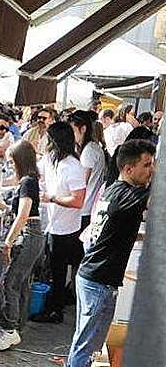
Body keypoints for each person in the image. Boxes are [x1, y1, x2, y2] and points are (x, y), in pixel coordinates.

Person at [59, 139, 154, 367]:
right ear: (128, 168)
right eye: (146, 165)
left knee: (82, 339)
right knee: (88, 344)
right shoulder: (127, 194)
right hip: (98, 281)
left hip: (92, 277)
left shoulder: (114, 191)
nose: (151, 171)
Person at [0, 140, 44, 352]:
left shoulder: (28, 181)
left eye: (12, 161)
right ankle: (12, 327)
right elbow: (16, 210)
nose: (10, 165)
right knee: (17, 282)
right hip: (29, 234)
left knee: (9, 282)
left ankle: (11, 330)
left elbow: (23, 214)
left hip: (28, 234)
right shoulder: (28, 181)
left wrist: (9, 242)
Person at [32, 121, 87, 324]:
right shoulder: (51, 159)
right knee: (49, 268)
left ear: (55, 141)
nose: (44, 140)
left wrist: (51, 198)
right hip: (52, 224)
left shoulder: (73, 167)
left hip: (66, 229)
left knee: (58, 270)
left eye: (47, 137)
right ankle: (51, 305)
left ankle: (56, 311)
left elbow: (78, 200)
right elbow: (36, 170)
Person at [70, 110, 107, 279]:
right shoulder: (93, 148)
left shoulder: (89, 151)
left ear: (83, 129)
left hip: (85, 208)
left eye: (74, 130)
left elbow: (81, 181)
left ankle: (73, 291)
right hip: (88, 206)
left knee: (77, 256)